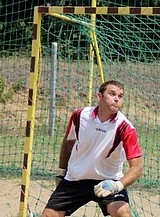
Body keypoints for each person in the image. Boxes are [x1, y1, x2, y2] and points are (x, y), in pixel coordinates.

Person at [41, 80, 143, 217]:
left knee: (123, 213)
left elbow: (137, 168)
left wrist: (117, 185)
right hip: (76, 178)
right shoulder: (79, 115)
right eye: (112, 94)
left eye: (120, 96)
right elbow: (68, 142)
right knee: (48, 215)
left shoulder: (126, 127)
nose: (117, 99)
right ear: (99, 96)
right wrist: (62, 171)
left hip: (109, 180)